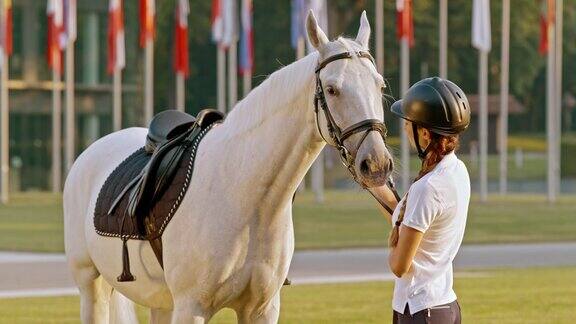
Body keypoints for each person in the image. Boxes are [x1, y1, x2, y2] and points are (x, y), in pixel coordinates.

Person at [371, 77, 471, 323]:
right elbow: (407, 217)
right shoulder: (456, 171)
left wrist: (393, 244)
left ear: (424, 133)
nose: (405, 128)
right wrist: (372, 182)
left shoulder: (428, 188)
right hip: (444, 305)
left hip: (419, 310)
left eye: (408, 124)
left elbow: (400, 265)